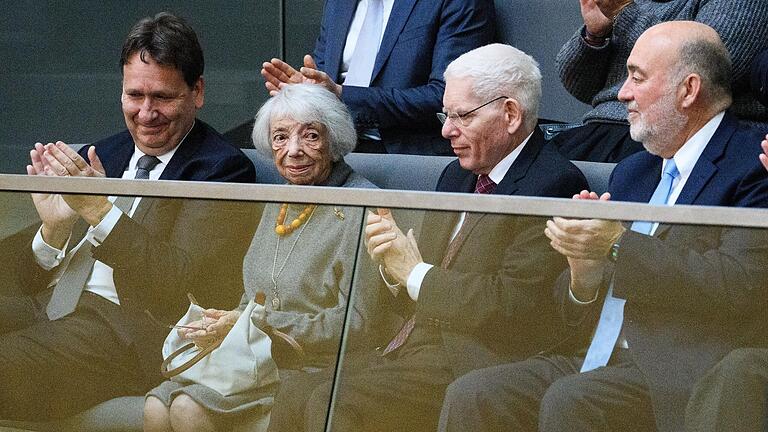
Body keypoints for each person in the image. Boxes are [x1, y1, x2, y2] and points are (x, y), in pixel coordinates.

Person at [437, 21, 768, 432]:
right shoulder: (633, 172)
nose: (622, 93)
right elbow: (571, 310)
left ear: (689, 90)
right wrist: (584, 275)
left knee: (575, 400)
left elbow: (739, 284)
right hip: (596, 355)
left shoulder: (751, 164)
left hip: (684, 368)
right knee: (477, 393)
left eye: (636, 77)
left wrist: (616, 246)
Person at [265, 43, 589, 432]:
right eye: (445, 114)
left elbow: (513, 302)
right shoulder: (455, 175)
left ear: (510, 114)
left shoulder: (553, 183)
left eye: (461, 116)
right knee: (298, 387)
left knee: (333, 400)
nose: (445, 129)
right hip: (410, 346)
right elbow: (414, 284)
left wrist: (413, 271)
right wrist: (391, 265)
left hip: (475, 358)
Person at [0, 12, 256, 421]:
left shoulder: (221, 169)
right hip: (50, 307)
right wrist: (54, 231)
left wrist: (99, 211)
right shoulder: (106, 153)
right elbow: (23, 280)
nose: (146, 112)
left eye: (163, 97)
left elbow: (176, 282)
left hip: (126, 334)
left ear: (198, 92)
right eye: (135, 95)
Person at [143, 83, 376, 432]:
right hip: (253, 358)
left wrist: (258, 323)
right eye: (280, 138)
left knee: (187, 411)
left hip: (319, 371)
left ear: (335, 139)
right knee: (156, 406)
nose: (294, 150)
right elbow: (253, 297)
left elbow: (357, 324)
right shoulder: (279, 198)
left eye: (310, 136)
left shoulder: (363, 206)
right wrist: (224, 323)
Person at [260, 0, 495, 155]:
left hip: (406, 156)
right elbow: (322, 79)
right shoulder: (338, 4)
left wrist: (343, 95)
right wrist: (308, 92)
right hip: (333, 151)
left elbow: (445, 97)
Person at [550, 0, 768, 162]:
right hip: (599, 130)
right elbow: (580, 87)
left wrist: (623, 13)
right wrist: (594, 36)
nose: (622, 93)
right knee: (536, 172)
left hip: (670, 133)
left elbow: (704, 66)